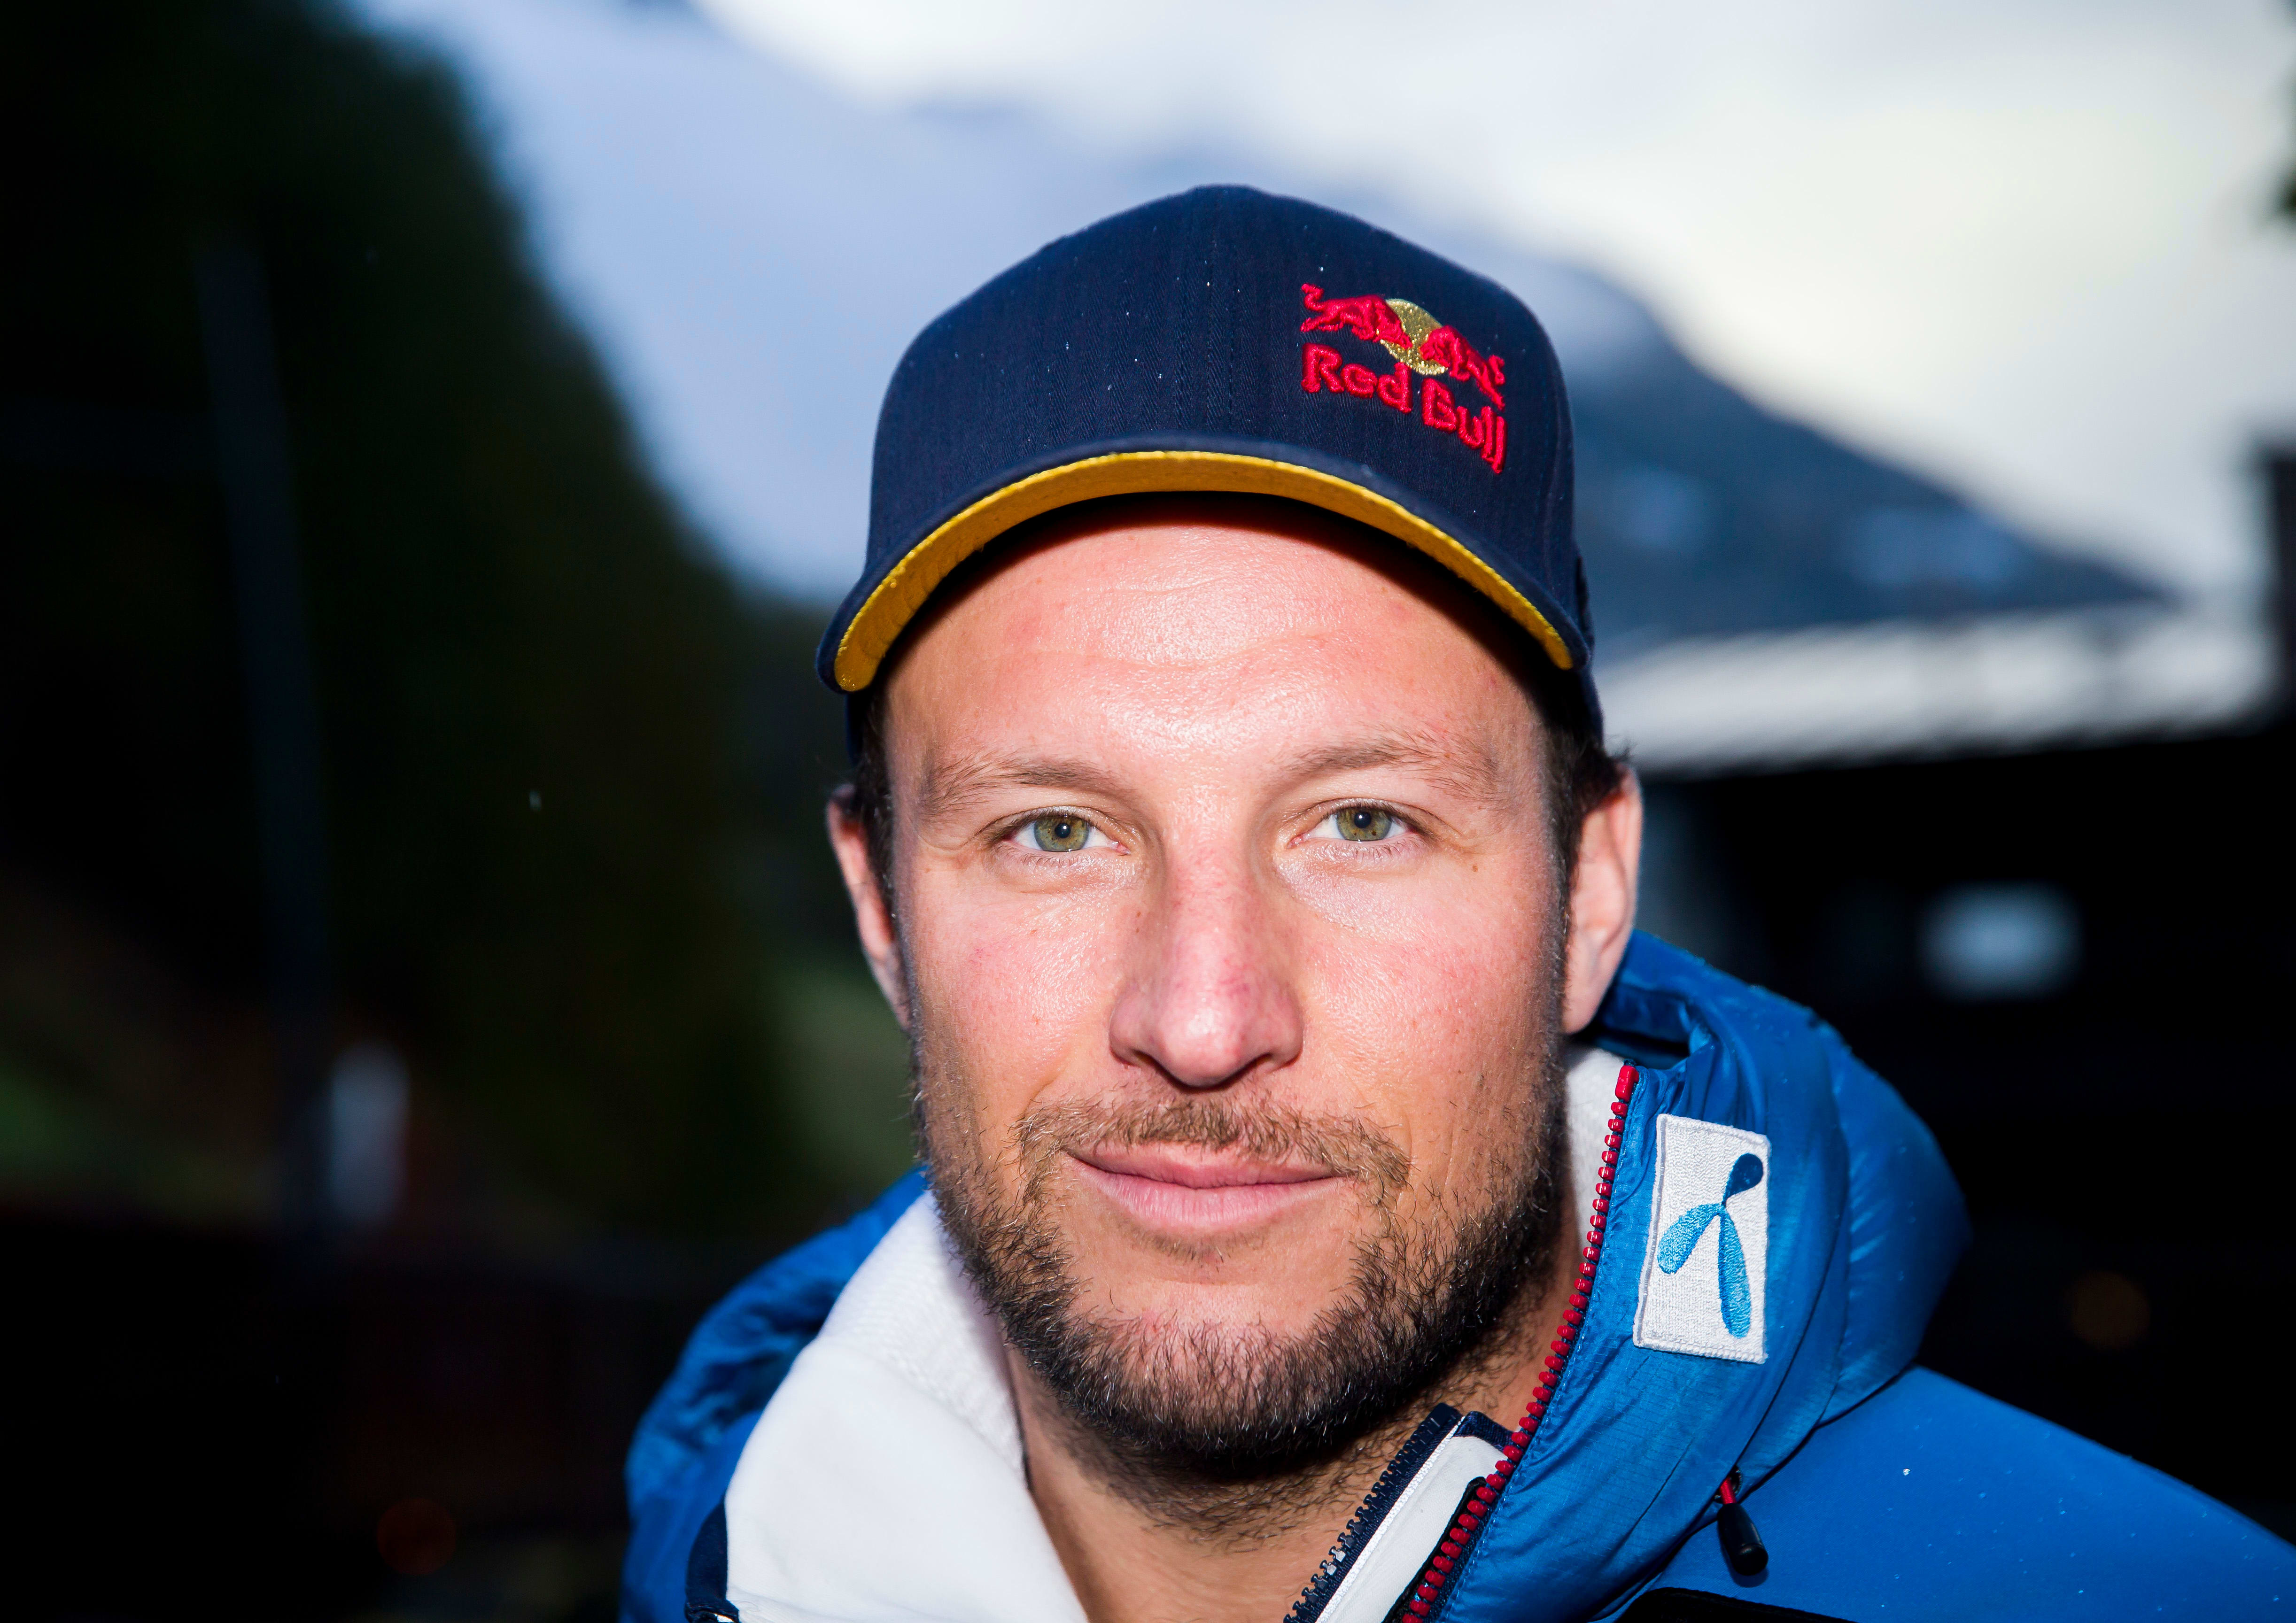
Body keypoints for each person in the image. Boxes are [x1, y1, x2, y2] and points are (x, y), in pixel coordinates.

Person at [621, 188, 2290, 1623]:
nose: (1202, 1018)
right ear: (883, 909)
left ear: (1592, 891)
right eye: (1057, 832)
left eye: (1364, 823)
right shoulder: (726, 1565)